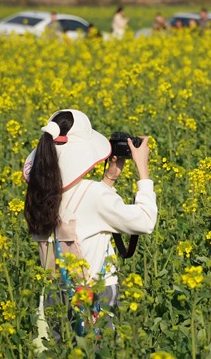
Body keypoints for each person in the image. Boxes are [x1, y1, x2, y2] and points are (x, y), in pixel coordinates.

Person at [22, 109, 157, 335]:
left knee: (64, 348)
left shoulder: (38, 195)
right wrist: (143, 169)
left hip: (56, 299)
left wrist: (109, 179)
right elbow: (146, 222)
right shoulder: (94, 194)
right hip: (93, 298)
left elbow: (81, 217)